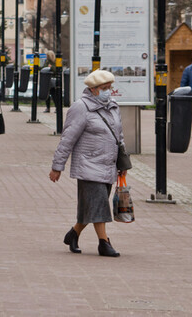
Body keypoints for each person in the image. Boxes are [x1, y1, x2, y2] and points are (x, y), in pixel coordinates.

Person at [49, 69, 124, 258]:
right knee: (99, 204)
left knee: (92, 204)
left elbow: (119, 136)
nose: (109, 91)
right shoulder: (80, 107)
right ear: (93, 89)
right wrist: (57, 166)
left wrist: (123, 162)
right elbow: (68, 139)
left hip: (108, 164)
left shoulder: (113, 106)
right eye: (104, 88)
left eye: (110, 87)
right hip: (88, 164)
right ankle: (104, 243)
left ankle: (73, 234)